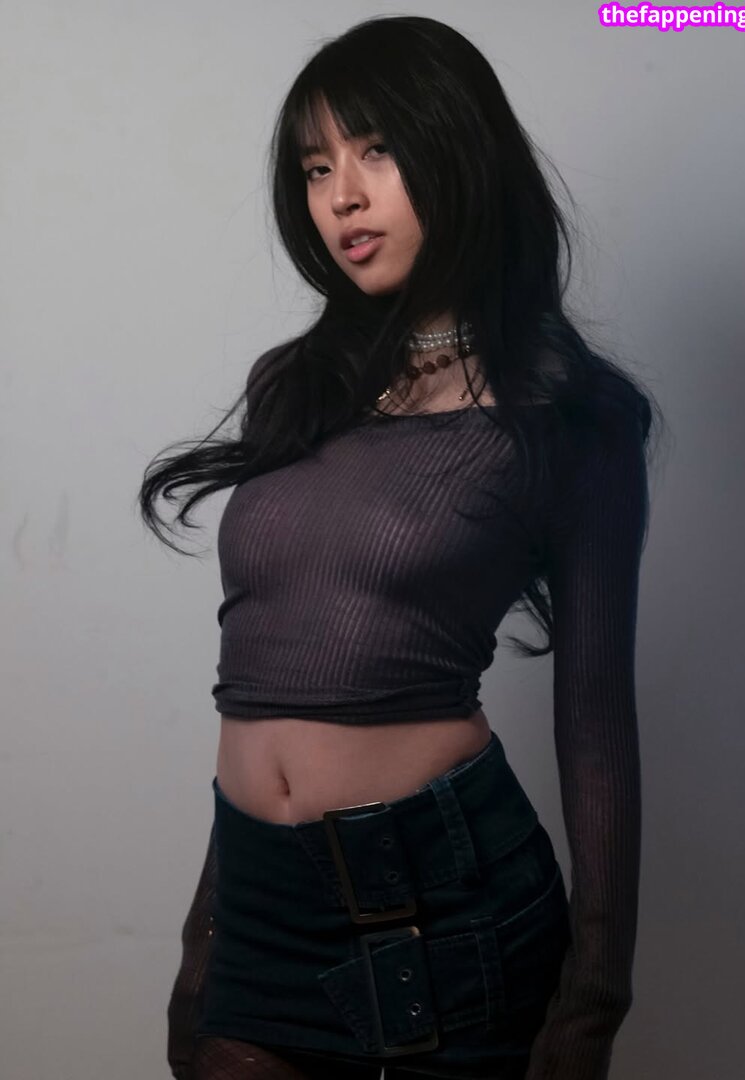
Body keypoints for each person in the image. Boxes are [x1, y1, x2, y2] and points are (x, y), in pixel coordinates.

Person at [139, 15, 664, 1080]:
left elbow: (597, 722)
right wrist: (204, 942)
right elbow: (261, 680)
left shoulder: (569, 422)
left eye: (376, 151)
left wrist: (590, 1009)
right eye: (315, 166)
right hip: (260, 910)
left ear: (459, 153)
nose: (340, 196)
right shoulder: (298, 385)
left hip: (447, 912)